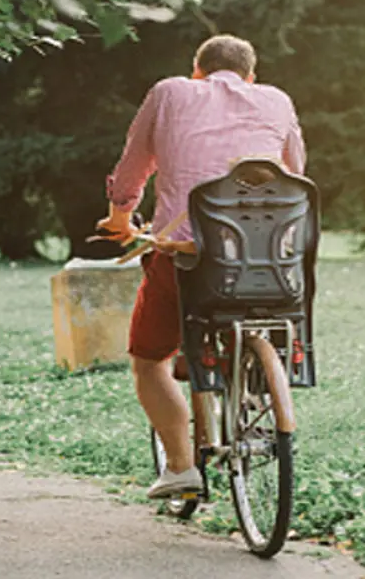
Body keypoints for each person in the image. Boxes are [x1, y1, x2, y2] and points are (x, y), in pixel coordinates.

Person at [99, 34, 306, 498]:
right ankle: (251, 385)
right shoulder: (276, 99)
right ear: (252, 77)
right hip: (270, 263)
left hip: (189, 260)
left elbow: (133, 167)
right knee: (238, 311)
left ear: (198, 71)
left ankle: (180, 468)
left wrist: (119, 218)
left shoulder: (171, 92)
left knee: (149, 360)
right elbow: (295, 170)